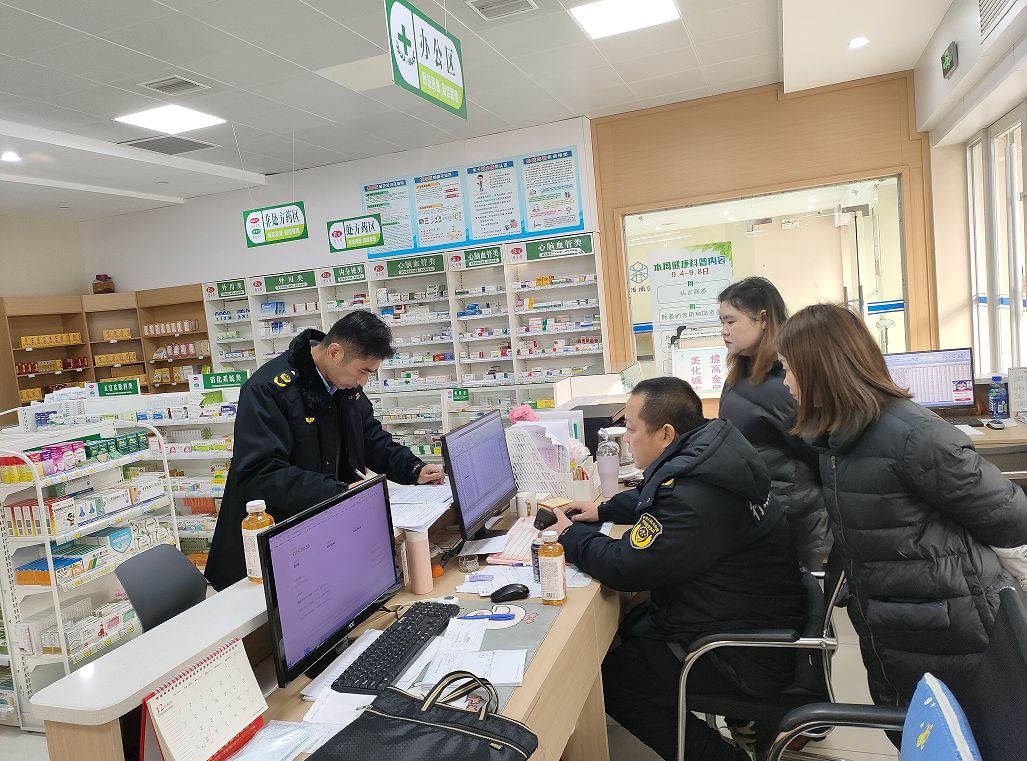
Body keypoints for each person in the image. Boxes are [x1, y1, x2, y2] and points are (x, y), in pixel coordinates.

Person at [775, 303, 1027, 715]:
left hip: (951, 625)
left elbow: (1012, 517)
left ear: (822, 367)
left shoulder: (914, 436)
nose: (786, 383)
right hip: (894, 625)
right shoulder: (835, 440)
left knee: (961, 729)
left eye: (789, 369)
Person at [550, 376, 808, 761]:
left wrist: (569, 536)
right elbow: (658, 495)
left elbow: (626, 566)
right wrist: (602, 510)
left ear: (666, 433)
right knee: (630, 626)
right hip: (746, 615)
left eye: (631, 429)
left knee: (616, 680)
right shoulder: (712, 452)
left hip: (740, 653)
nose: (626, 439)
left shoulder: (694, 497)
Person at [205, 313, 444, 591]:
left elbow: (370, 438)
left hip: (320, 537)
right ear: (334, 352)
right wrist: (338, 492)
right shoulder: (268, 390)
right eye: (362, 371)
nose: (363, 381)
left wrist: (413, 469)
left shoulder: (343, 385)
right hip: (270, 546)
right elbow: (261, 473)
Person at [717, 277, 832, 570]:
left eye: (731, 321)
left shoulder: (786, 382)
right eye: (722, 322)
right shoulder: (741, 373)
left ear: (763, 319)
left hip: (797, 522)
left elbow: (821, 455)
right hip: (762, 512)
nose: (724, 331)